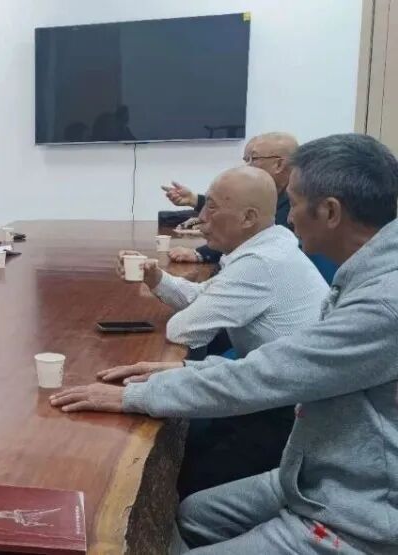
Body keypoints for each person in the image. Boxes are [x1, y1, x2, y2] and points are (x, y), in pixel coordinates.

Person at [51, 133, 398, 553]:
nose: (288, 218)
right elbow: (291, 358)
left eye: (293, 203)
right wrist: (186, 369)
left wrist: (134, 397)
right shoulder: (366, 270)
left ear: (329, 212)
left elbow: (270, 374)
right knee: (192, 513)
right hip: (314, 466)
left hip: (360, 513)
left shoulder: (383, 302)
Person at [114, 166, 329, 497]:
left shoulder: (261, 263)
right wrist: (156, 278)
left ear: (248, 218)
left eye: (211, 207)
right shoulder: (268, 247)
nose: (200, 217)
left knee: (183, 483)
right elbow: (205, 298)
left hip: (288, 417)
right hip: (270, 389)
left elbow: (184, 330)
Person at [164, 132, 298, 264]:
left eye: (254, 159)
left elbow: (249, 239)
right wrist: (195, 199)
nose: (247, 167)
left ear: (279, 165)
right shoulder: (277, 194)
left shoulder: (296, 199)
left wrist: (200, 253)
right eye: (246, 160)